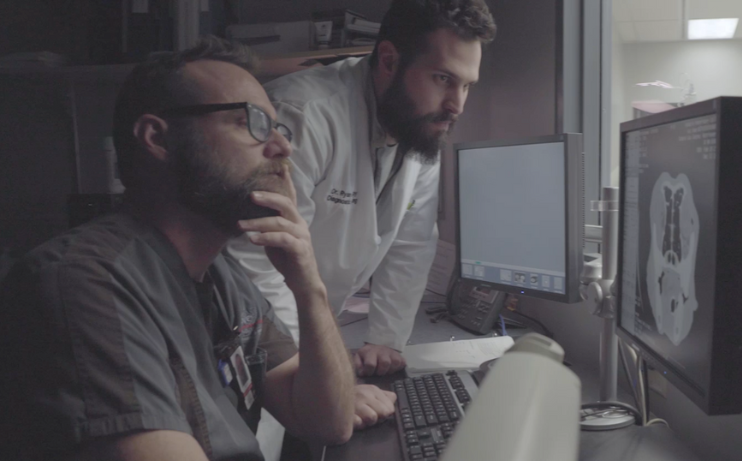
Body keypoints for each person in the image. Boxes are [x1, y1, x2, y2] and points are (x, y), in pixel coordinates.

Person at [0, 37, 386, 460]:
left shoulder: (224, 277)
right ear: (157, 138)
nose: (281, 147)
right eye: (251, 122)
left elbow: (326, 423)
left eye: (278, 128)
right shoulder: (82, 283)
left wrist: (308, 286)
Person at [227, 0, 497, 378]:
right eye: (443, 79)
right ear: (388, 60)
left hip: (309, 328)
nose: (457, 105)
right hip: (252, 337)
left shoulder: (417, 126)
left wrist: (386, 340)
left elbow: (411, 244)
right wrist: (324, 379)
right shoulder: (303, 115)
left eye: (467, 85)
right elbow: (261, 265)